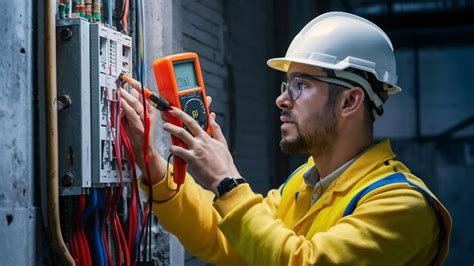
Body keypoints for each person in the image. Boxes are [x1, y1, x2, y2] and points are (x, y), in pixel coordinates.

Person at [120, 11, 452, 265]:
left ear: (350, 101)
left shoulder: (403, 206)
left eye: (301, 85)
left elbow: (302, 261)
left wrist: (226, 182)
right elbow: (228, 240)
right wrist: (152, 163)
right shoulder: (305, 182)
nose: (282, 99)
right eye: (287, 84)